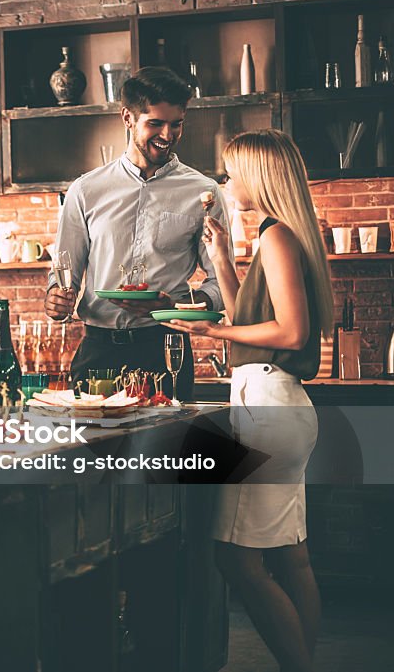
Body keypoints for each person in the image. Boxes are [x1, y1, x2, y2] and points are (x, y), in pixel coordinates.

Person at [161, 129, 333, 672]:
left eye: (233, 171)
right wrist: (221, 260)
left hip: (267, 409)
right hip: (280, 406)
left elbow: (291, 332)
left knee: (236, 561)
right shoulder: (274, 236)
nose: (227, 181)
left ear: (260, 176)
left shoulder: (277, 237)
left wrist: (213, 335)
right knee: (291, 557)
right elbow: (248, 321)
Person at [44, 66, 231, 401]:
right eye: (155, 123)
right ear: (127, 118)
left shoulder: (203, 192)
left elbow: (220, 282)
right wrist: (56, 300)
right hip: (97, 352)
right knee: (92, 451)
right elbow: (62, 275)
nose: (168, 134)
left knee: (168, 452)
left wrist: (177, 305)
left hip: (165, 348)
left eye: (177, 124)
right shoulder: (85, 190)